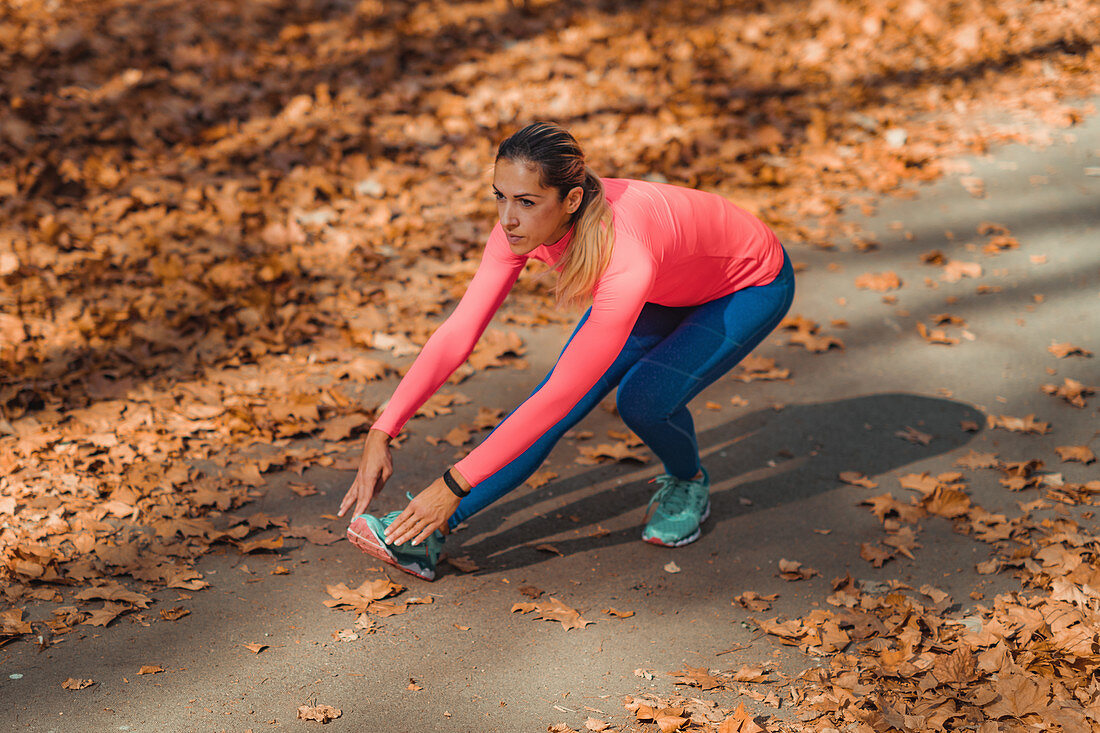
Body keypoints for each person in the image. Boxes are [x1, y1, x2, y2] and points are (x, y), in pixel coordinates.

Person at [336, 122, 795, 580]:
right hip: (666, 286)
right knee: (555, 407)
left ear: (571, 200)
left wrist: (452, 484)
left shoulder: (624, 254)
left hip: (748, 285)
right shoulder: (519, 230)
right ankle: (425, 536)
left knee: (643, 401)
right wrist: (383, 428)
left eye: (526, 202)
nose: (507, 218)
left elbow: (560, 395)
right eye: (500, 196)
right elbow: (460, 330)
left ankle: (688, 481)